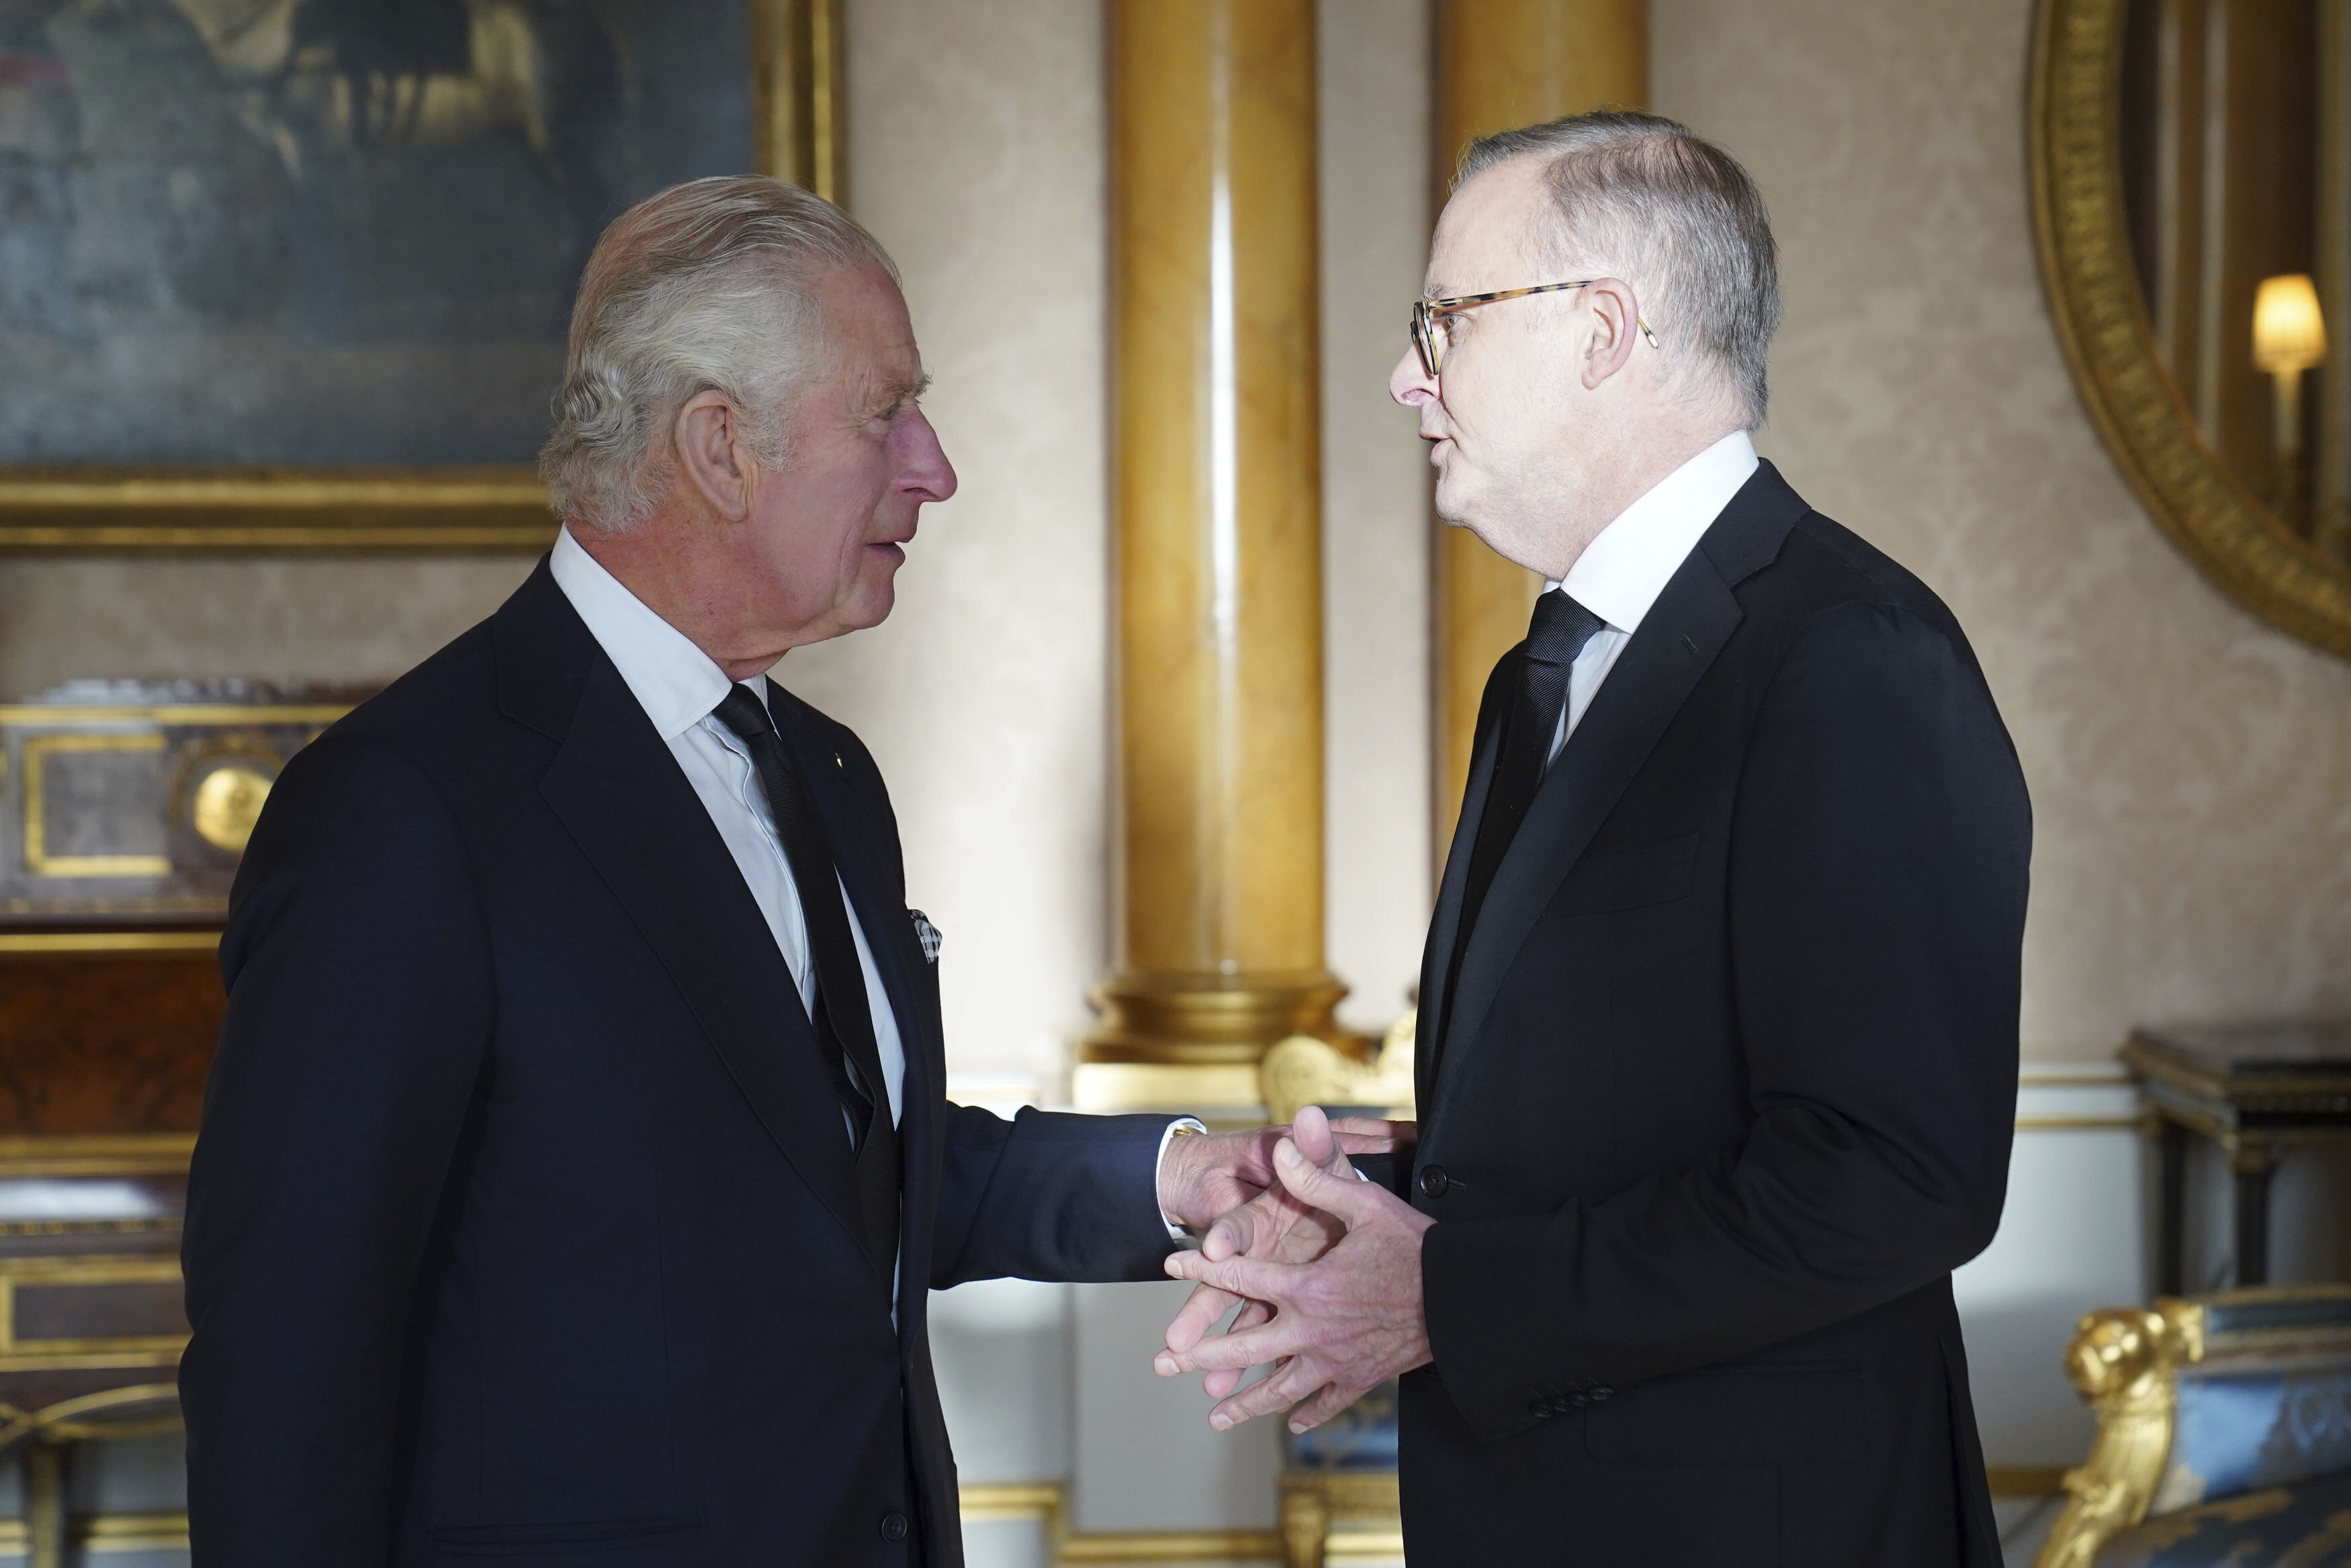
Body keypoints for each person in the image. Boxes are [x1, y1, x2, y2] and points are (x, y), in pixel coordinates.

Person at [179, 175, 1294, 1568]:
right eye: (885, 410)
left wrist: (1186, 1175)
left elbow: (842, 1178)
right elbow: (288, 1349)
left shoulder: (825, 773)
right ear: (720, 448)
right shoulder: (406, 809)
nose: (933, 466)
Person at [1157, 111, 2029, 1568]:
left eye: (1442, 324)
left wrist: (1448, 1295)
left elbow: (1891, 1175)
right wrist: (1366, 1214)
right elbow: (1626, 1111)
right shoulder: (1541, 675)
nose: (1404, 378)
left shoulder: (1850, 654)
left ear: (1602, 331)